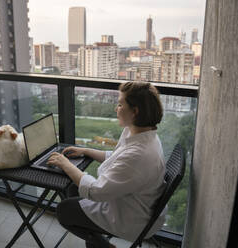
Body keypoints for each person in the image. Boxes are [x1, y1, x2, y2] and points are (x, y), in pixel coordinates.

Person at [47, 82, 167, 248]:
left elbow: (95, 191)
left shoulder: (139, 154)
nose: (115, 109)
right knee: (72, 188)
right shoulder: (143, 134)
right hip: (132, 201)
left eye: (120, 104)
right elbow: (117, 158)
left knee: (64, 211)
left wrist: (65, 164)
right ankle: (95, 243)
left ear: (135, 111)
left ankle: (104, 246)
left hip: (132, 218)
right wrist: (86, 151)